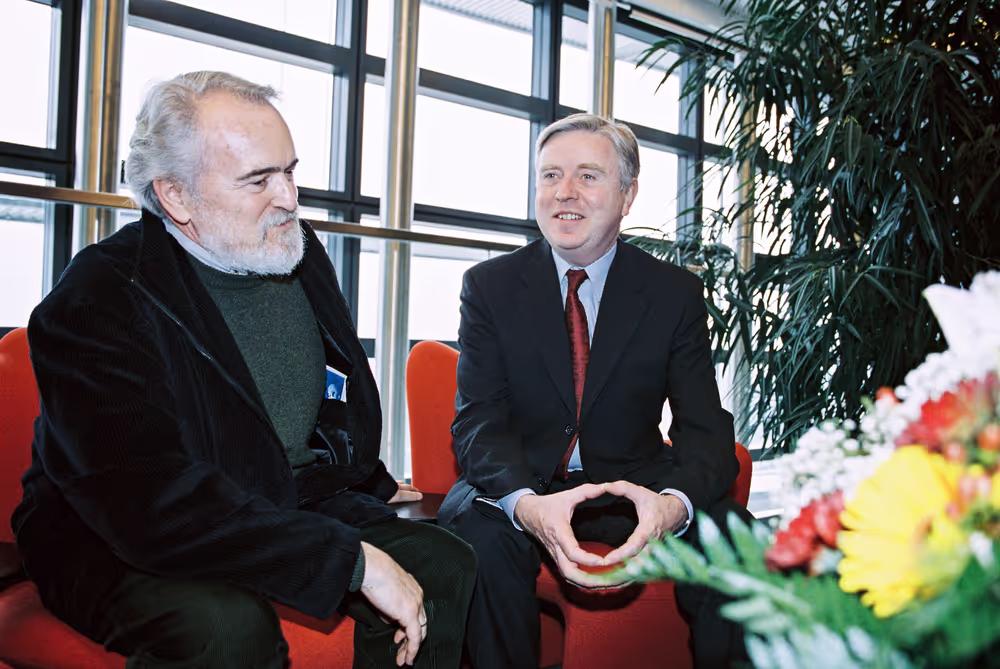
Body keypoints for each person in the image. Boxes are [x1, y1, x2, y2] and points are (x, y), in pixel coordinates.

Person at [12, 71, 475, 669]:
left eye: (289, 171)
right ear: (175, 196)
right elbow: (147, 501)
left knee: (444, 560)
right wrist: (352, 561)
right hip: (113, 530)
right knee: (226, 629)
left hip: (272, 498)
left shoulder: (287, 245)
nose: (288, 197)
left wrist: (369, 478)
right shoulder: (98, 299)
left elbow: (310, 395)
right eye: (259, 179)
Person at [438, 113, 754, 668]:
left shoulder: (674, 293)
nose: (564, 193)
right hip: (521, 483)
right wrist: (526, 506)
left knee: (733, 539)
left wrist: (671, 508)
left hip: (634, 483)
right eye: (550, 175)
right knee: (481, 541)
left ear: (627, 195)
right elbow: (478, 424)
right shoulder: (489, 286)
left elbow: (705, 430)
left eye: (588, 176)